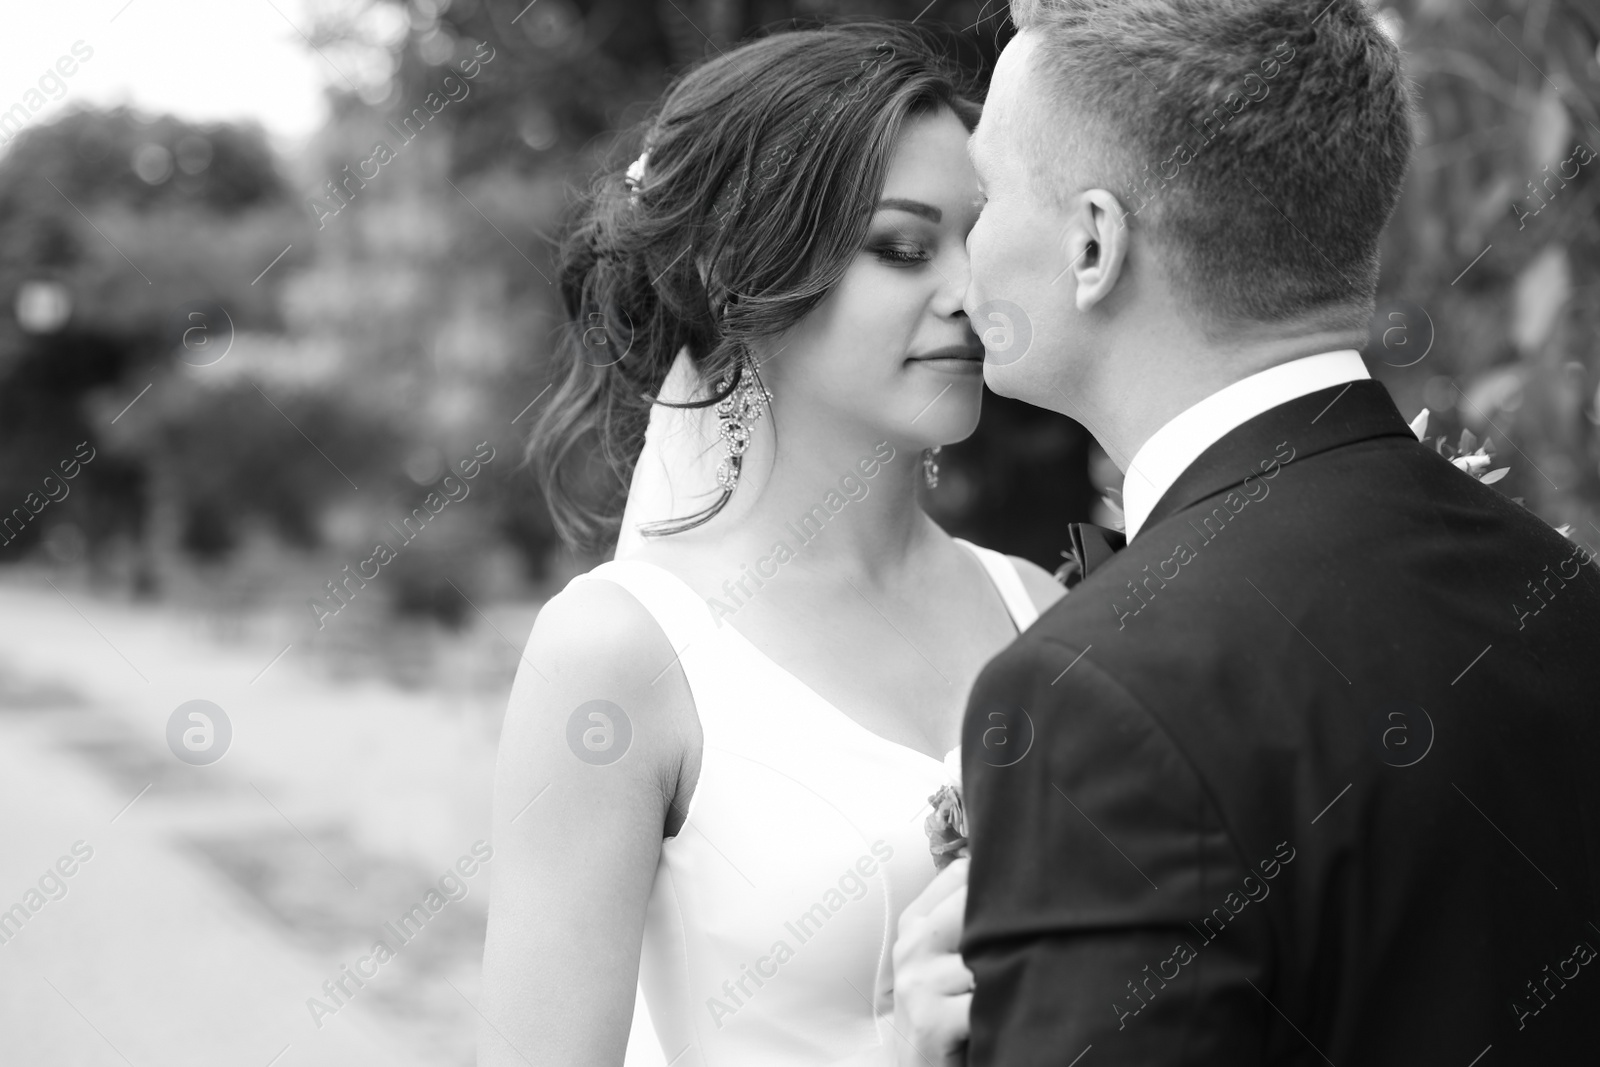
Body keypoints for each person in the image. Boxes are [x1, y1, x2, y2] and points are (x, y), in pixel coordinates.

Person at [958, 0, 1600, 1062]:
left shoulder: (1092, 698)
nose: (961, 251)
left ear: (1091, 244)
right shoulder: (1562, 595)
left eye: (983, 196)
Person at [480, 22, 1062, 1067]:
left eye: (977, 238)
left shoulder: (1040, 611)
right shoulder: (617, 658)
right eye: (901, 245)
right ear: (733, 275)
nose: (967, 292)